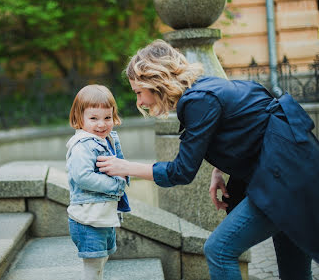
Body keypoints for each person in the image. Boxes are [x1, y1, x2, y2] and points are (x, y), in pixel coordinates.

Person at [96, 39, 319, 280]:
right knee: (295, 272)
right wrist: (218, 169)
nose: (140, 102)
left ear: (156, 81)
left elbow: (181, 172)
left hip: (283, 179)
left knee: (219, 250)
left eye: (139, 92)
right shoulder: (205, 87)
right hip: (296, 169)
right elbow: (245, 124)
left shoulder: (197, 100)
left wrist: (125, 167)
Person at [66, 84, 131, 280]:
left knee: (102, 260)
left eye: (107, 118)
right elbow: (82, 176)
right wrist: (117, 185)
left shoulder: (106, 139)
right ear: (79, 118)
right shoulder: (82, 146)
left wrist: (124, 172)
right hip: (87, 219)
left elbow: (119, 163)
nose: (101, 124)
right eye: (93, 118)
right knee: (93, 267)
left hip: (102, 216)